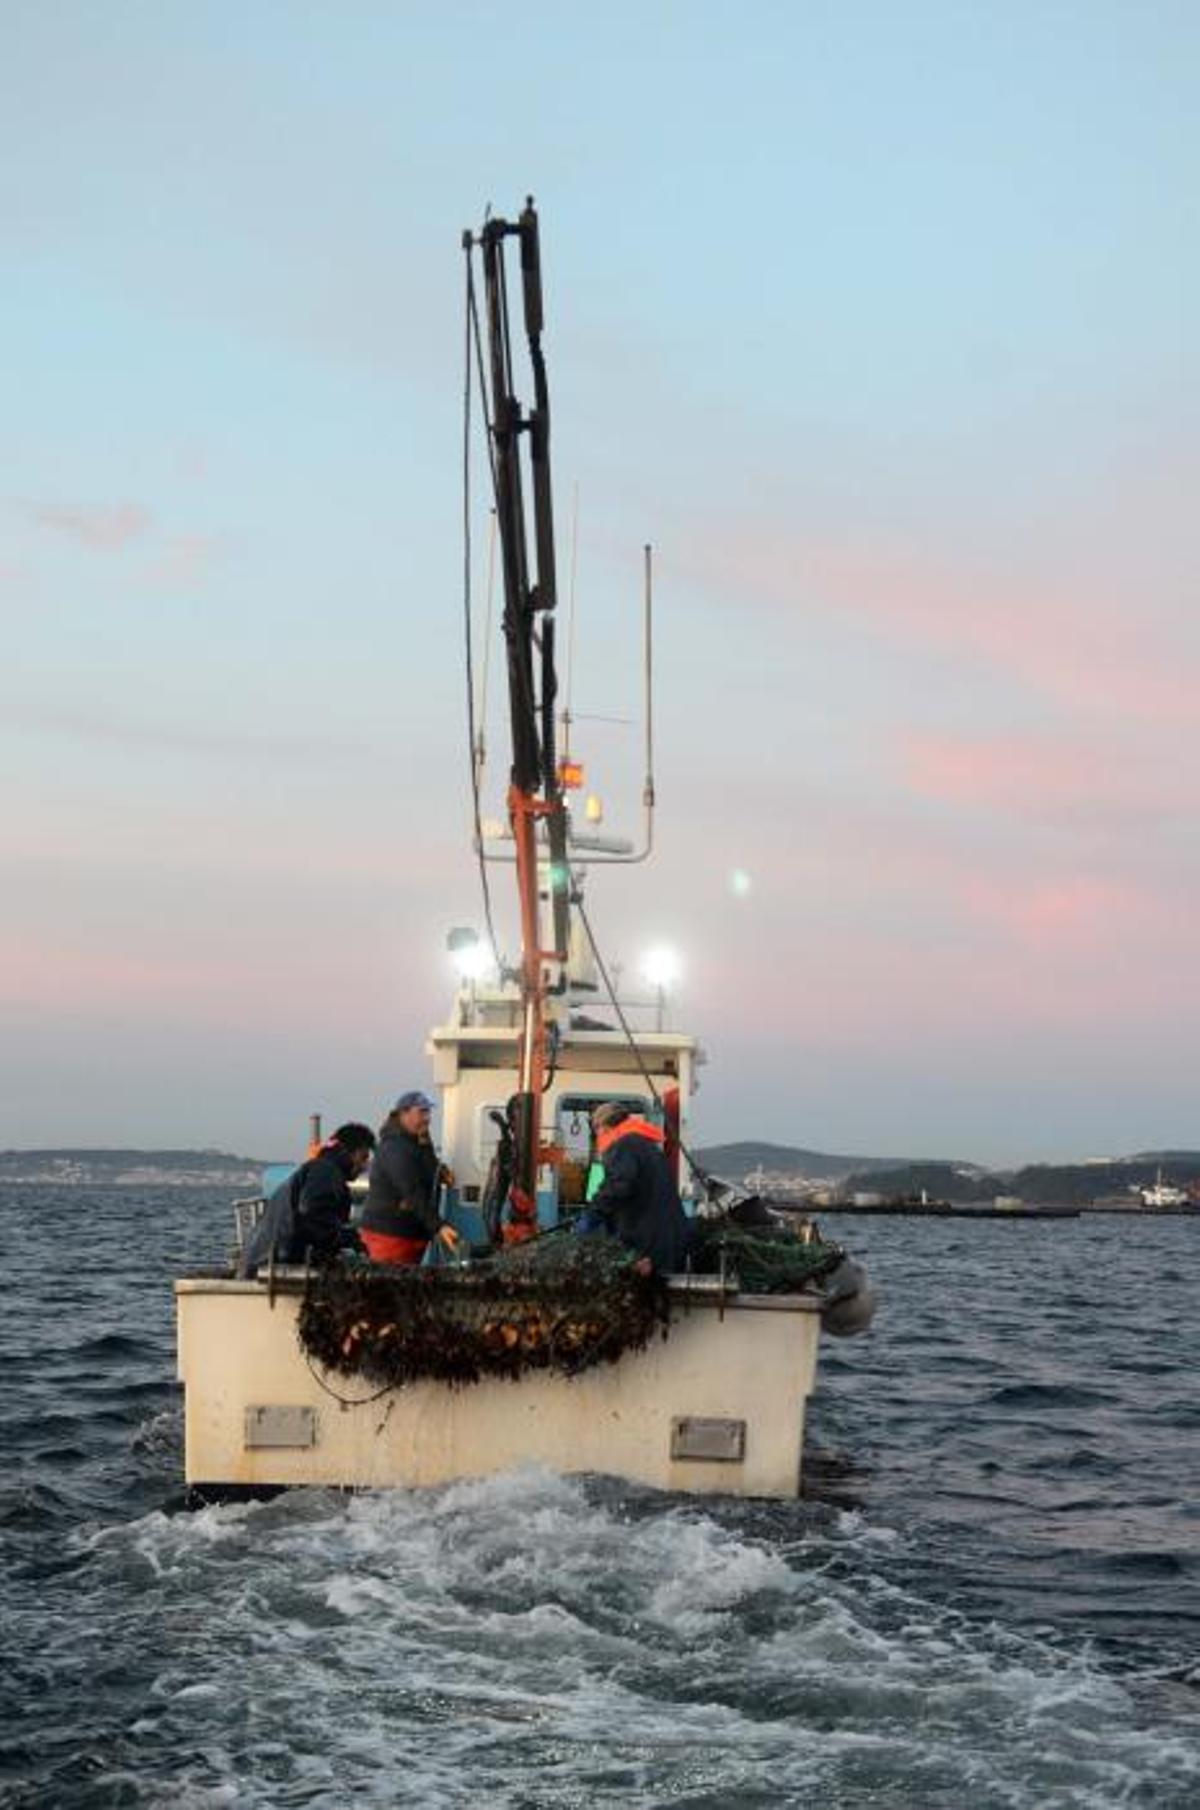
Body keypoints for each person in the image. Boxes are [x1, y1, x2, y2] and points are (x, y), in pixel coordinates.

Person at [239, 1123, 375, 1276]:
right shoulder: (326, 1172)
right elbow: (313, 1216)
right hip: (273, 1267)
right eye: (363, 1158)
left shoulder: (318, 1169)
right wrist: (354, 1240)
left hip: (261, 1261)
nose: (364, 1166)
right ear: (347, 1152)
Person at [583, 1102, 692, 1275]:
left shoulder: (623, 1145)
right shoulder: (644, 1145)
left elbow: (619, 1185)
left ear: (603, 1127)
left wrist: (594, 1213)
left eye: (596, 1130)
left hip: (648, 1244)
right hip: (667, 1240)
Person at [361, 1090, 460, 1265]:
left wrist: (438, 1167)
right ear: (403, 1113)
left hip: (409, 1233)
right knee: (388, 1286)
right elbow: (411, 1190)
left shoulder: (415, 1144)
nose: (427, 1118)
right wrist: (439, 1226)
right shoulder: (394, 1148)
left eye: (428, 1112)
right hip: (389, 1234)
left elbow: (430, 1170)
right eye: (422, 1112)